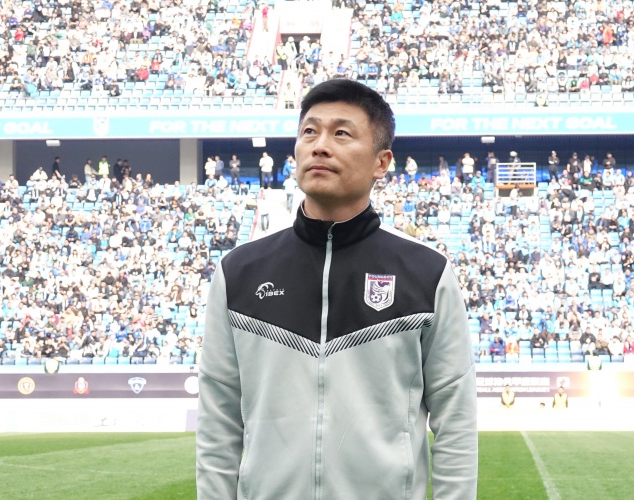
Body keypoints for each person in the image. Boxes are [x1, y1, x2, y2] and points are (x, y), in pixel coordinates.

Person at [196, 78, 477, 500]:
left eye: (341, 133)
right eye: (309, 131)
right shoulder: (238, 272)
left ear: (381, 162)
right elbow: (218, 421)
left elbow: (456, 420)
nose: (320, 146)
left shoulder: (427, 273)